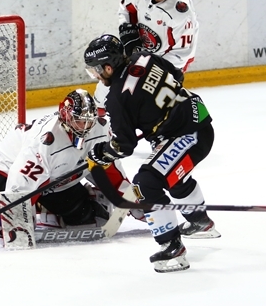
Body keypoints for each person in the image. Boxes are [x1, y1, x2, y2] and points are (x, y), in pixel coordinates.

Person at [83, 34, 219, 273]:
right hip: (198, 118)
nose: (96, 75)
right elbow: (177, 76)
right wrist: (155, 114)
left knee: (145, 184)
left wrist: (101, 152)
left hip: (187, 135)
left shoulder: (117, 97)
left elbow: (123, 146)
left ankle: (172, 247)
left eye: (96, 70)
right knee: (173, 177)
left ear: (108, 67)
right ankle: (200, 222)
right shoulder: (144, 57)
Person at [0, 88, 128, 227]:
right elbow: (21, 184)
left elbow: (110, 169)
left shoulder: (100, 131)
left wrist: (130, 200)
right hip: (8, 168)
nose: (86, 127)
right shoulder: (44, 142)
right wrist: (17, 223)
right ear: (66, 116)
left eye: (89, 121)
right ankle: (36, 206)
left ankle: (48, 207)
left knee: (87, 218)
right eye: (80, 121)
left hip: (56, 180)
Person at [95, 0, 199, 112]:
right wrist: (128, 33)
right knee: (110, 77)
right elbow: (125, 10)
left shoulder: (180, 12)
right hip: (140, 50)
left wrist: (150, 66)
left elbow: (182, 54)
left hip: (167, 59)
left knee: (145, 97)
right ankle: (99, 113)